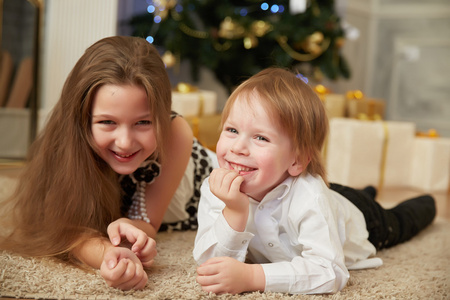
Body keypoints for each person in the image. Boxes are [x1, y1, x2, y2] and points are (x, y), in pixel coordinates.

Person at [193, 68, 436, 295]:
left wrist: (253, 276)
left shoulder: (310, 195)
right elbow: (211, 267)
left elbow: (330, 271)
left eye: (260, 137)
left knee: (400, 221)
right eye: (232, 130)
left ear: (297, 160)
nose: (237, 147)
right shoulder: (215, 187)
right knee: (343, 193)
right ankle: (366, 191)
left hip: (365, 218)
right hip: (329, 194)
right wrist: (234, 212)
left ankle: (427, 202)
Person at [0, 36, 216, 291]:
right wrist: (110, 255)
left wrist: (129, 237)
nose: (124, 143)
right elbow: (63, 228)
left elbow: (146, 221)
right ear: (82, 119)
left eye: (143, 122)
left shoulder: (174, 132)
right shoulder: (68, 140)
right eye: (107, 122)